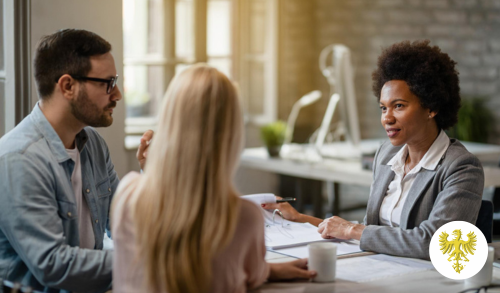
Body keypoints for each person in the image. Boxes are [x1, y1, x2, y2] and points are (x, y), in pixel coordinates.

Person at [264, 40, 484, 260]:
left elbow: (436, 243)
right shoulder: (386, 155)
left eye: (398, 106)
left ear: (431, 108)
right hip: (379, 268)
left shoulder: (461, 167)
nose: (387, 118)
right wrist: (300, 218)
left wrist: (351, 229)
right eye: (383, 108)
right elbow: (372, 231)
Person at [111, 64, 316, 293]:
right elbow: (251, 274)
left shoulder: (127, 193)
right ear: (231, 134)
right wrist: (268, 269)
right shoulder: (243, 217)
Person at [0, 29, 147, 292]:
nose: (117, 95)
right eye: (108, 83)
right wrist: (146, 262)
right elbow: (54, 265)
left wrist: (155, 175)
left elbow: (125, 226)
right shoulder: (19, 160)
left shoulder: (93, 144)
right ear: (68, 86)